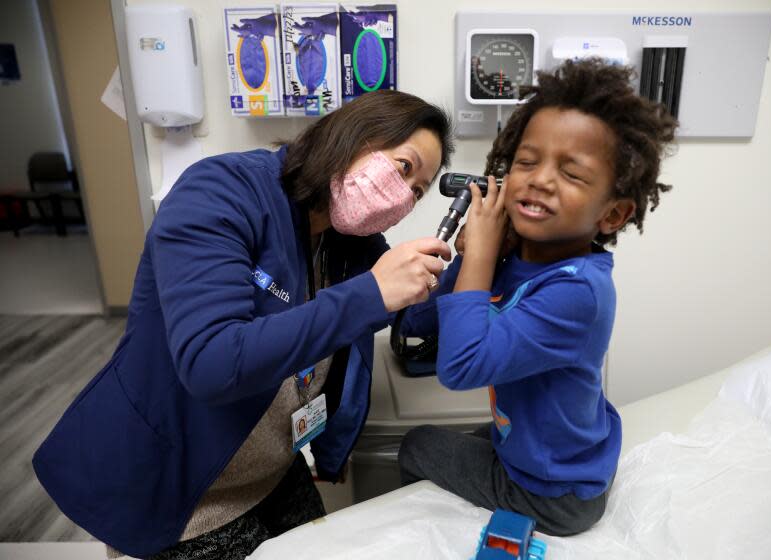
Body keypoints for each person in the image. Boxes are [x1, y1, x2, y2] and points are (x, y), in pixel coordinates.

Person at [33, 90, 453, 559]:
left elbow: (411, 310)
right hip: (184, 490)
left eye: (417, 191)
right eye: (403, 167)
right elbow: (212, 362)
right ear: (352, 134)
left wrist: (480, 256)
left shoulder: (348, 239)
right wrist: (370, 293)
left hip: (271, 469)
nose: (403, 196)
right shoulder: (220, 191)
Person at [397, 58, 678, 536]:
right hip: (539, 445)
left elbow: (460, 367)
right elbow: (421, 325)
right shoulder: (517, 254)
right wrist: (470, 257)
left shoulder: (579, 292)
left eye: (571, 173)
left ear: (612, 214)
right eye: (527, 161)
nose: (540, 179)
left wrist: (483, 256)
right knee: (463, 440)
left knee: (416, 446)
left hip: (558, 494)